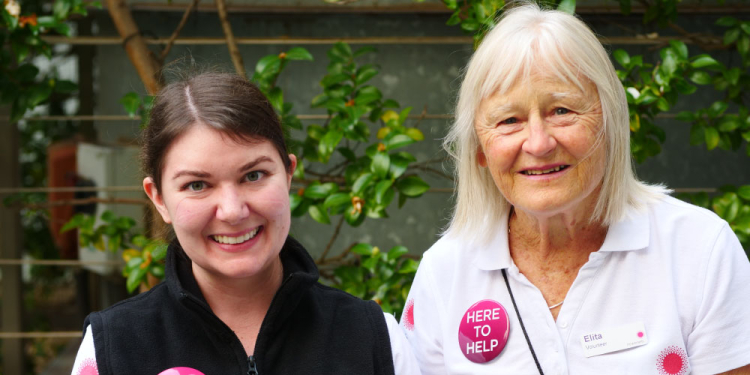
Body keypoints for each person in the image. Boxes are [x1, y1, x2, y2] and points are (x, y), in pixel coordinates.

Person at [400, 3, 750, 375]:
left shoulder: (698, 250)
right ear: (479, 150)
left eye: (562, 110)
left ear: (610, 121)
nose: (538, 143)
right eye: (509, 120)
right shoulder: (446, 272)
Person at [70, 73, 420, 375]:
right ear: (158, 198)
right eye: (197, 185)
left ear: (288, 175)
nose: (233, 211)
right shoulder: (111, 349)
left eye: (253, 175)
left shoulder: (374, 339)